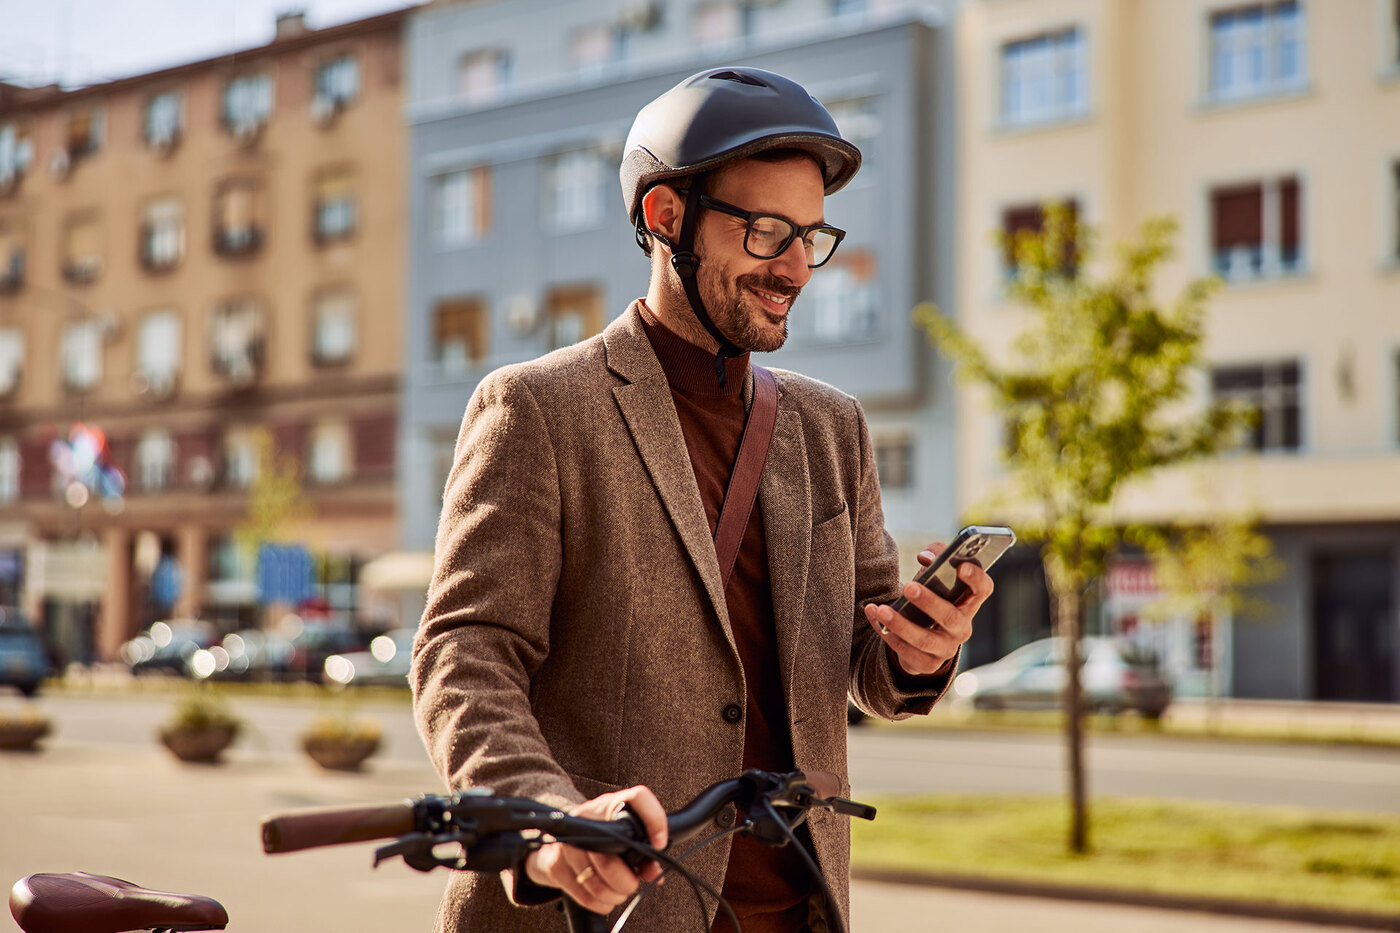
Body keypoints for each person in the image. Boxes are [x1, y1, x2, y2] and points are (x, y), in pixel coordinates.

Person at [411, 66, 994, 933]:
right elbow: (466, 652)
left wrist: (920, 649)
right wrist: (545, 817)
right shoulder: (536, 406)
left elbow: (865, 667)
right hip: (593, 910)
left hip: (800, 909)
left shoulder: (833, 426)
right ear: (664, 218)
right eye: (766, 232)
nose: (796, 266)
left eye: (811, 235)